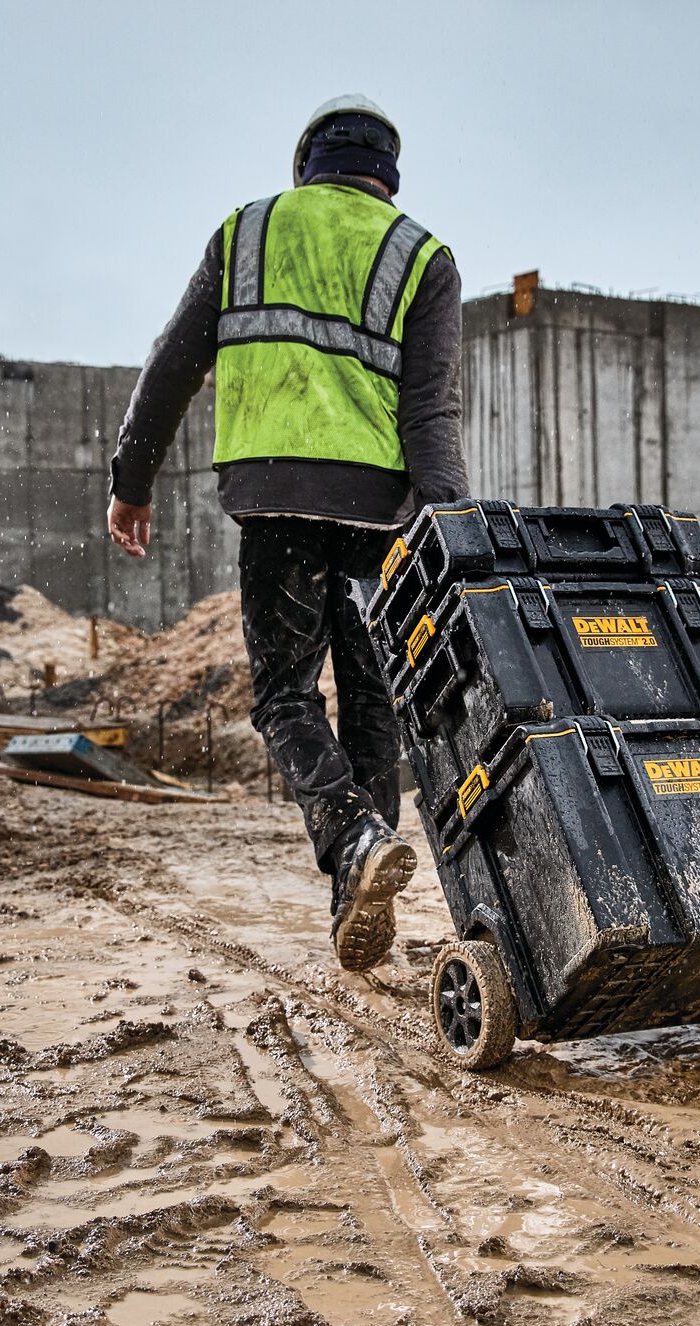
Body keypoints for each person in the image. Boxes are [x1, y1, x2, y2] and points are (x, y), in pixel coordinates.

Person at [107, 94, 468, 971]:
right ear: (387, 174)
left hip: (274, 498)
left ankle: (352, 846)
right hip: (379, 512)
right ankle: (361, 874)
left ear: (308, 160)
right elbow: (429, 412)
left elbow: (172, 365)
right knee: (373, 699)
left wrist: (131, 480)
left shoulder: (247, 233)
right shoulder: (422, 255)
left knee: (284, 695)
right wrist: (454, 527)